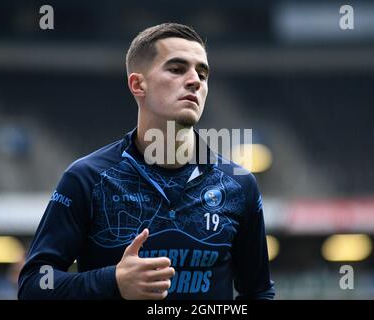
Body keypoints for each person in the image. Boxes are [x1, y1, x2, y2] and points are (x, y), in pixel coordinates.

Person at [18, 22, 275, 300]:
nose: (195, 81)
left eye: (202, 73)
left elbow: (259, 292)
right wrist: (112, 281)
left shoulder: (239, 184)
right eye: (177, 69)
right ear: (137, 84)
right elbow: (33, 285)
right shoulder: (87, 178)